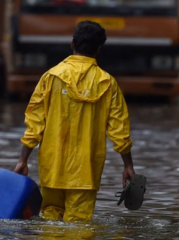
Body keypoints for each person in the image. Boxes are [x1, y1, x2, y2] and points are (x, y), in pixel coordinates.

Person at [13, 21, 135, 222]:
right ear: (98, 49)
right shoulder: (108, 83)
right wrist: (128, 165)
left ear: (72, 44)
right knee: (78, 232)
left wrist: (23, 160)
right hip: (85, 174)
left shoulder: (50, 77)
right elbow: (119, 131)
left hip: (52, 169)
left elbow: (35, 124)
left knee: (50, 226)